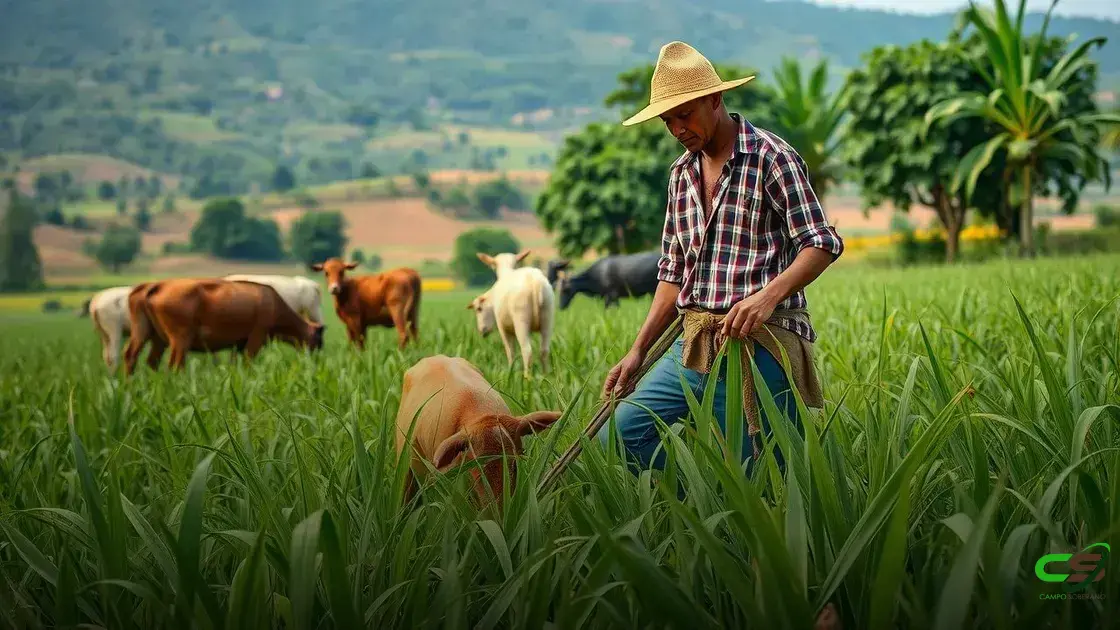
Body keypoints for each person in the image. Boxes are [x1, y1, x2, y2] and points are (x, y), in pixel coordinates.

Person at [598, 41, 844, 474]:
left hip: (761, 341)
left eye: (684, 114)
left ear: (714, 99)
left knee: (757, 473)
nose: (677, 129)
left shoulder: (772, 158)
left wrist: (766, 297)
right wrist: (637, 350)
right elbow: (673, 273)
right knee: (616, 437)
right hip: (694, 341)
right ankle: (697, 501)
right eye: (667, 121)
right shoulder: (681, 175)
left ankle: (742, 506)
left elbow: (821, 243)